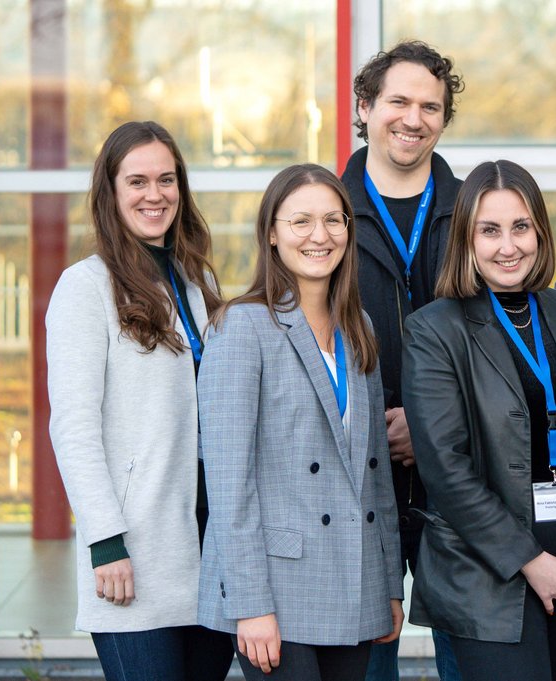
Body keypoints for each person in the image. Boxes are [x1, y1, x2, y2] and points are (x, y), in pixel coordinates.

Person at [401, 160, 556, 681]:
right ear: (466, 239)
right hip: (492, 580)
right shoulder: (434, 331)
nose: (508, 246)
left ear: (540, 232)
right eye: (489, 230)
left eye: (520, 227)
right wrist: (533, 562)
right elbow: (446, 469)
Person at [195, 164, 405, 681]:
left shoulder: (360, 329)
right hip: (275, 590)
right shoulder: (241, 326)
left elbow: (376, 475)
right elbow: (228, 484)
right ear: (272, 231)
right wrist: (249, 604)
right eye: (302, 221)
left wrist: (389, 586)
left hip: (354, 579)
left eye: (334, 220)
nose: (320, 235)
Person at [46, 120, 233, 681]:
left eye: (167, 179)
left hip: (209, 551)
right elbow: (73, 429)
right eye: (138, 181)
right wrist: (105, 544)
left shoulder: (194, 285)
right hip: (136, 553)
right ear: (111, 192)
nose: (156, 195)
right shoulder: (84, 288)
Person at [340, 39, 465, 680]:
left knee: (476, 660)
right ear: (364, 106)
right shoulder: (320, 215)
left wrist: (431, 425)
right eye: (398, 101)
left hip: (465, 482)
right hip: (353, 481)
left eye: (431, 106)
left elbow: (506, 343)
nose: (413, 118)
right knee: (366, 665)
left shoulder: (479, 214)